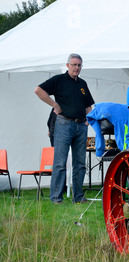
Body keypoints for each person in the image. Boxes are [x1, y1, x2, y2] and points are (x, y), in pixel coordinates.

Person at [34, 53, 95, 204]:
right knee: (60, 162)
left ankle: (78, 197)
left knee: (80, 163)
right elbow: (38, 90)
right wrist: (54, 105)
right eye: (74, 64)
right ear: (67, 65)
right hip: (64, 124)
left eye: (79, 65)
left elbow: (88, 105)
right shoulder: (58, 80)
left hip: (81, 126)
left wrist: (89, 120)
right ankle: (56, 198)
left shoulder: (82, 83)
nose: (77, 68)